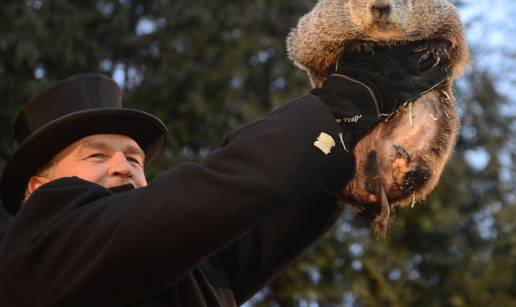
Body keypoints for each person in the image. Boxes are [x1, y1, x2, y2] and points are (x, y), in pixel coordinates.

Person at [0, 46, 449, 306]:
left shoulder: (189, 264)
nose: (123, 166)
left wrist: (356, 150)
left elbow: (259, 205)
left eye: (135, 159)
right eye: (96, 155)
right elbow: (218, 189)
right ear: (38, 188)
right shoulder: (36, 250)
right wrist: (345, 101)